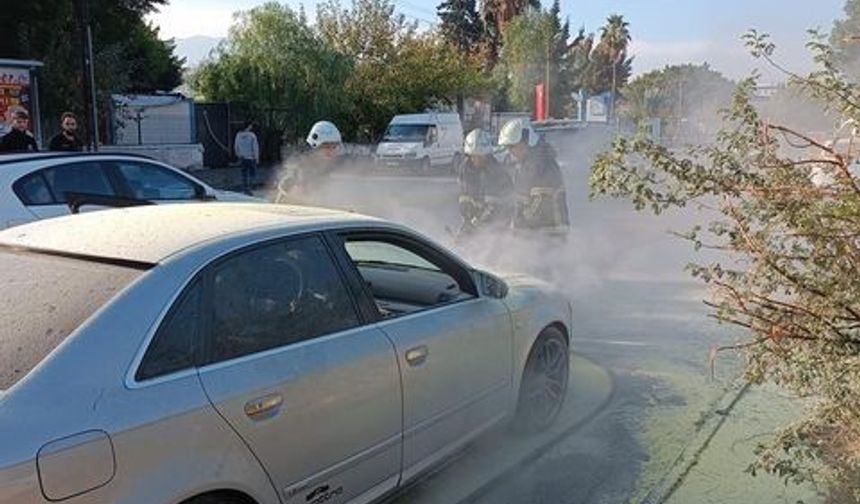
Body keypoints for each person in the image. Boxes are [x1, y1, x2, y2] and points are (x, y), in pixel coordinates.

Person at [497, 118, 570, 233]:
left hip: (550, 232)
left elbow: (540, 205)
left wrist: (519, 224)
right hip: (536, 231)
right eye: (507, 147)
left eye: (512, 146)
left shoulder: (543, 163)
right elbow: (520, 198)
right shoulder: (524, 164)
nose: (510, 151)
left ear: (526, 140)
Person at [457, 128, 514, 236]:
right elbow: (464, 194)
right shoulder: (465, 168)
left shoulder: (497, 173)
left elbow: (496, 207)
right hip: (476, 220)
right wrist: (466, 218)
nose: (476, 160)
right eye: (473, 156)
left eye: (480, 156)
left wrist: (475, 225)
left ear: (487, 154)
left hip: (498, 222)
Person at [234, 121, 260, 194]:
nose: (251, 127)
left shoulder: (238, 135)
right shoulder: (252, 135)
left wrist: (238, 155)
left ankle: (245, 189)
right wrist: (256, 157)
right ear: (248, 126)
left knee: (244, 174)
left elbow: (236, 146)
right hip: (251, 158)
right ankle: (250, 188)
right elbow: (255, 147)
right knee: (252, 174)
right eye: (250, 126)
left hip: (242, 158)